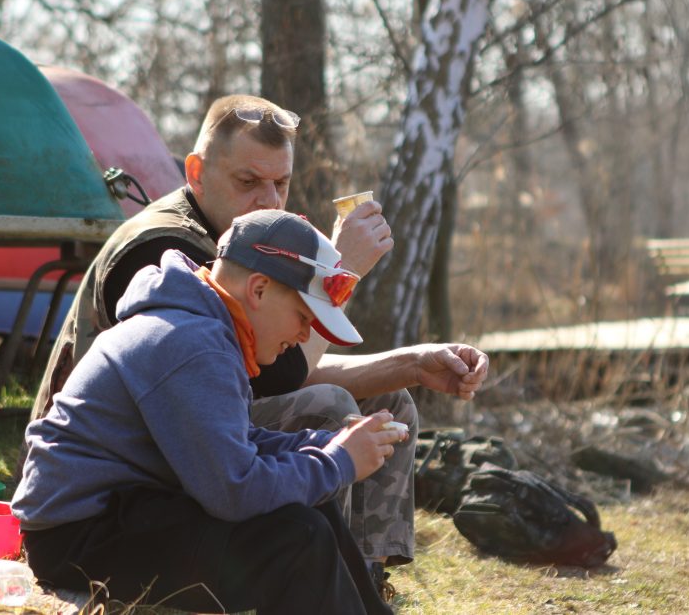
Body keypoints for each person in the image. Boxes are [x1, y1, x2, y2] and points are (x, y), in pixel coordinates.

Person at [28, 93, 489, 593]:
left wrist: (412, 365)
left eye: (281, 183)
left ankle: (362, 579)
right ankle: (323, 581)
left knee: (387, 404)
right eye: (248, 182)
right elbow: (275, 379)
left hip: (165, 457)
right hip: (110, 486)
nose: (268, 201)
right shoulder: (162, 246)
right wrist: (339, 273)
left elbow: (264, 369)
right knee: (330, 414)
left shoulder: (241, 248)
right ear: (196, 173)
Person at [14, 210, 403, 614]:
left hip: (123, 509)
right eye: (303, 317)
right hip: (77, 537)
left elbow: (237, 443)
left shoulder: (204, 326)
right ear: (259, 289)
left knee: (310, 505)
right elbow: (234, 491)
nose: (305, 334)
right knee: (297, 539)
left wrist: (327, 444)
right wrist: (339, 461)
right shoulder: (193, 343)